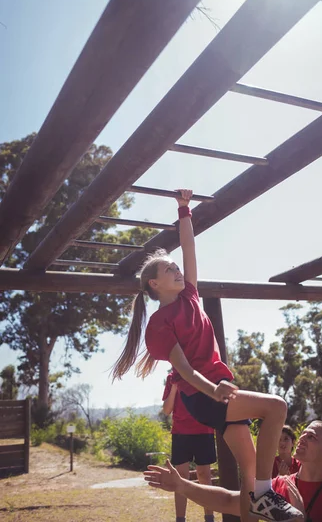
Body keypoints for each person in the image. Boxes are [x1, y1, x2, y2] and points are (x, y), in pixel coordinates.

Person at [112, 189, 303, 522]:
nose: (177, 271)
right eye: (169, 270)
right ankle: (265, 492)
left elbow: (189, 248)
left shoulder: (190, 295)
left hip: (220, 388)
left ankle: (257, 498)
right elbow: (183, 369)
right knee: (276, 407)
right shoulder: (159, 323)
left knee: (250, 469)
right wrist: (212, 390)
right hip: (203, 394)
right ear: (155, 285)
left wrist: (184, 210)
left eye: (176, 268)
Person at [145, 420, 322, 522]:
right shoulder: (278, 485)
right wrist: (182, 486)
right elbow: (229, 501)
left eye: (312, 437)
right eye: (303, 434)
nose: (303, 438)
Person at [163, 372, 216, 522]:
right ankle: (180, 519)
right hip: (180, 432)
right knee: (180, 477)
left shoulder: (202, 372)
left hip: (203, 430)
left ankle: (209, 518)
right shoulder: (171, 378)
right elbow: (167, 409)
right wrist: (174, 385)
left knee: (204, 475)